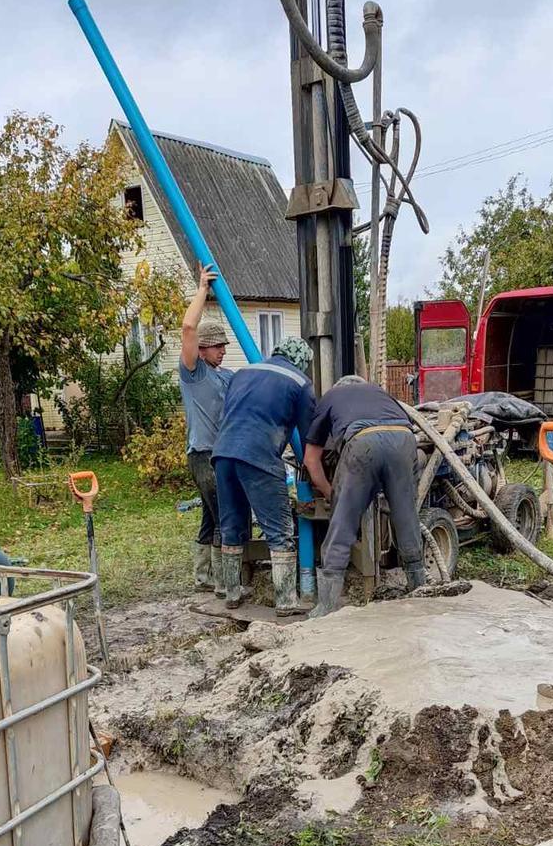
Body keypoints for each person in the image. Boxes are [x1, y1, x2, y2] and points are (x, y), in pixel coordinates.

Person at [303, 375, 425, 617]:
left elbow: (310, 459)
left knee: (342, 525)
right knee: (406, 519)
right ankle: (419, 592)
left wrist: (331, 494)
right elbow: (405, 427)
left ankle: (326, 607)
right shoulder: (379, 392)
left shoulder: (331, 397)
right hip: (404, 439)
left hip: (362, 442)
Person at [212, 336, 316, 616]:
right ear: (303, 361)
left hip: (222, 453)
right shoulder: (300, 383)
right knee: (279, 529)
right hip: (258, 456)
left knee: (231, 524)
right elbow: (310, 440)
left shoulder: (244, 372)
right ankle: (286, 601)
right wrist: (316, 477)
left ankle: (232, 594)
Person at [178, 264, 233, 595]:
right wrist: (202, 289)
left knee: (210, 519)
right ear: (201, 349)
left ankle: (203, 579)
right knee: (224, 517)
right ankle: (225, 585)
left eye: (224, 345)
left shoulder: (225, 376)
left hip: (221, 454)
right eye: (217, 346)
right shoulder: (194, 374)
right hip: (203, 454)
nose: (223, 351)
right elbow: (187, 327)